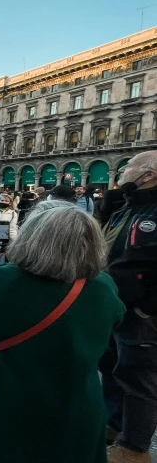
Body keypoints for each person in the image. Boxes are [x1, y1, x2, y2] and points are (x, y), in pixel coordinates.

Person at [0, 201, 125, 463]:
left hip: (10, 408)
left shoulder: (0, 282)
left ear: (31, 239)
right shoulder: (103, 287)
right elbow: (116, 317)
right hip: (76, 410)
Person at [100, 150, 157, 463]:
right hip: (113, 304)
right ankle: (113, 426)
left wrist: (147, 306)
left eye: (128, 167)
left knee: (138, 378)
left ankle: (133, 449)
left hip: (140, 312)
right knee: (110, 365)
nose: (122, 172)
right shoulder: (126, 206)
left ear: (147, 174)